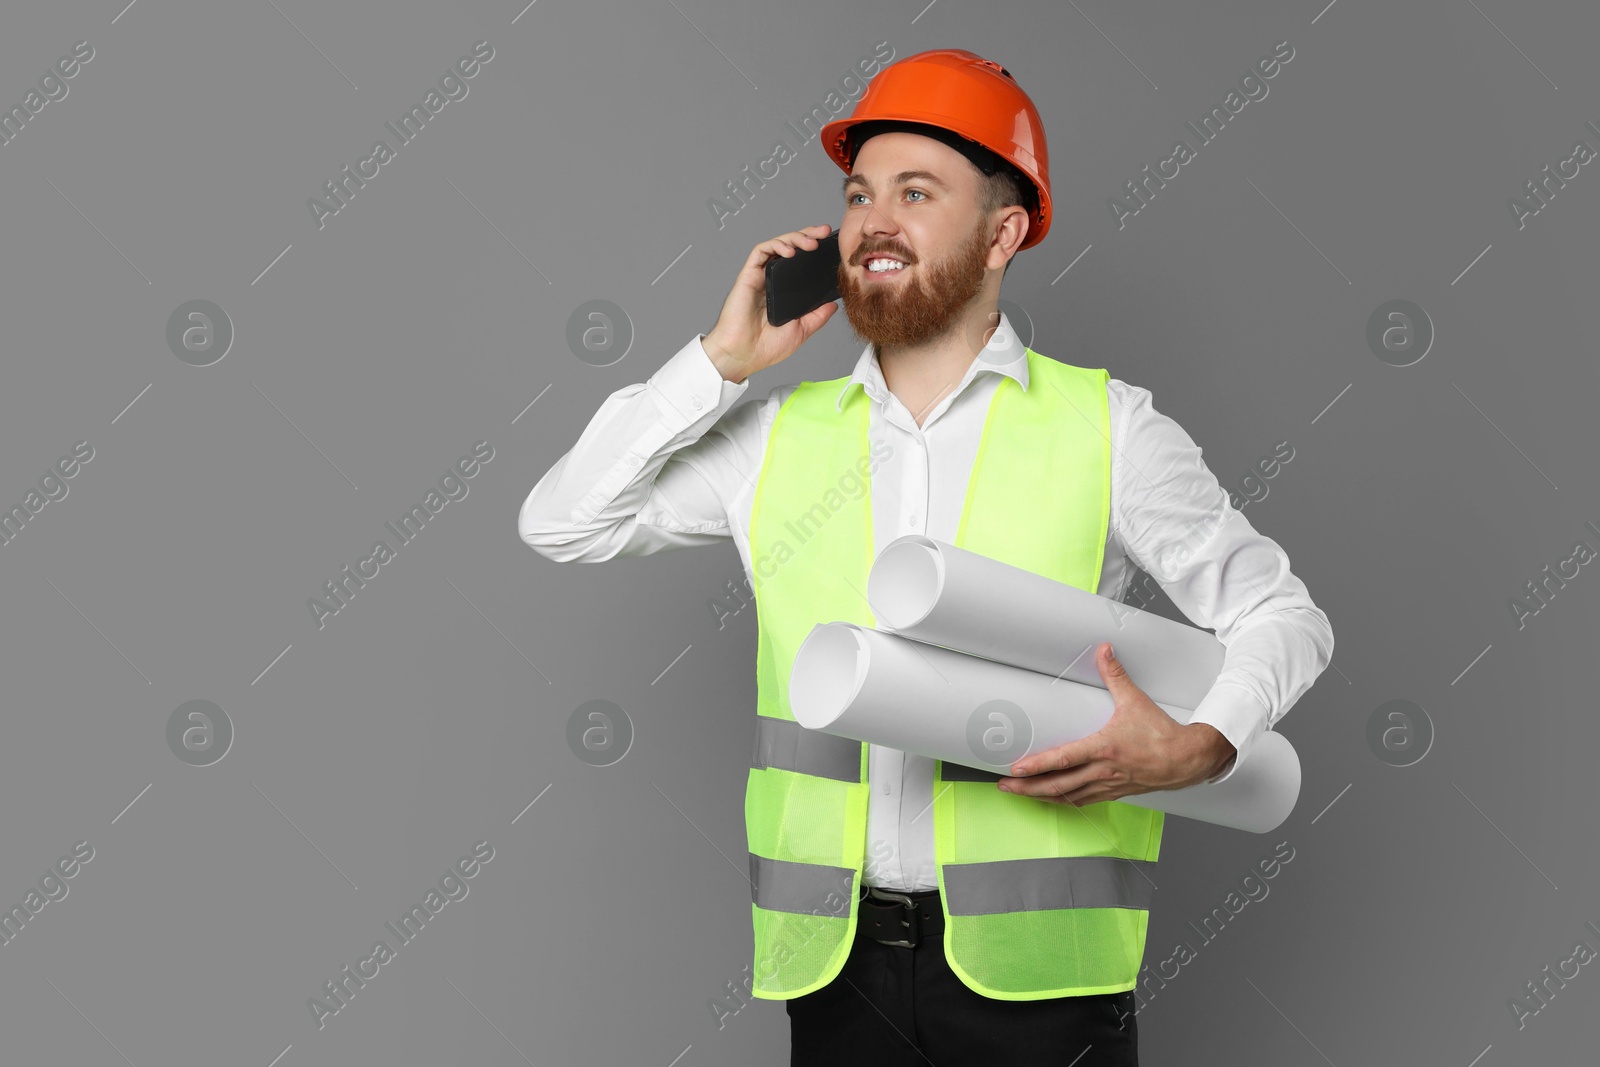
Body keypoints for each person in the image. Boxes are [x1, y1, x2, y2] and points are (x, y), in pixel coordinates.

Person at [520, 47, 1334, 1067]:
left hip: (1042, 976)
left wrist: (1203, 740)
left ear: (1001, 233)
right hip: (836, 965)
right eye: (858, 194)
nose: (873, 220)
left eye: (916, 191)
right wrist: (718, 363)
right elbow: (562, 521)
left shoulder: (1108, 428)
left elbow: (1284, 614)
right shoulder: (775, 436)